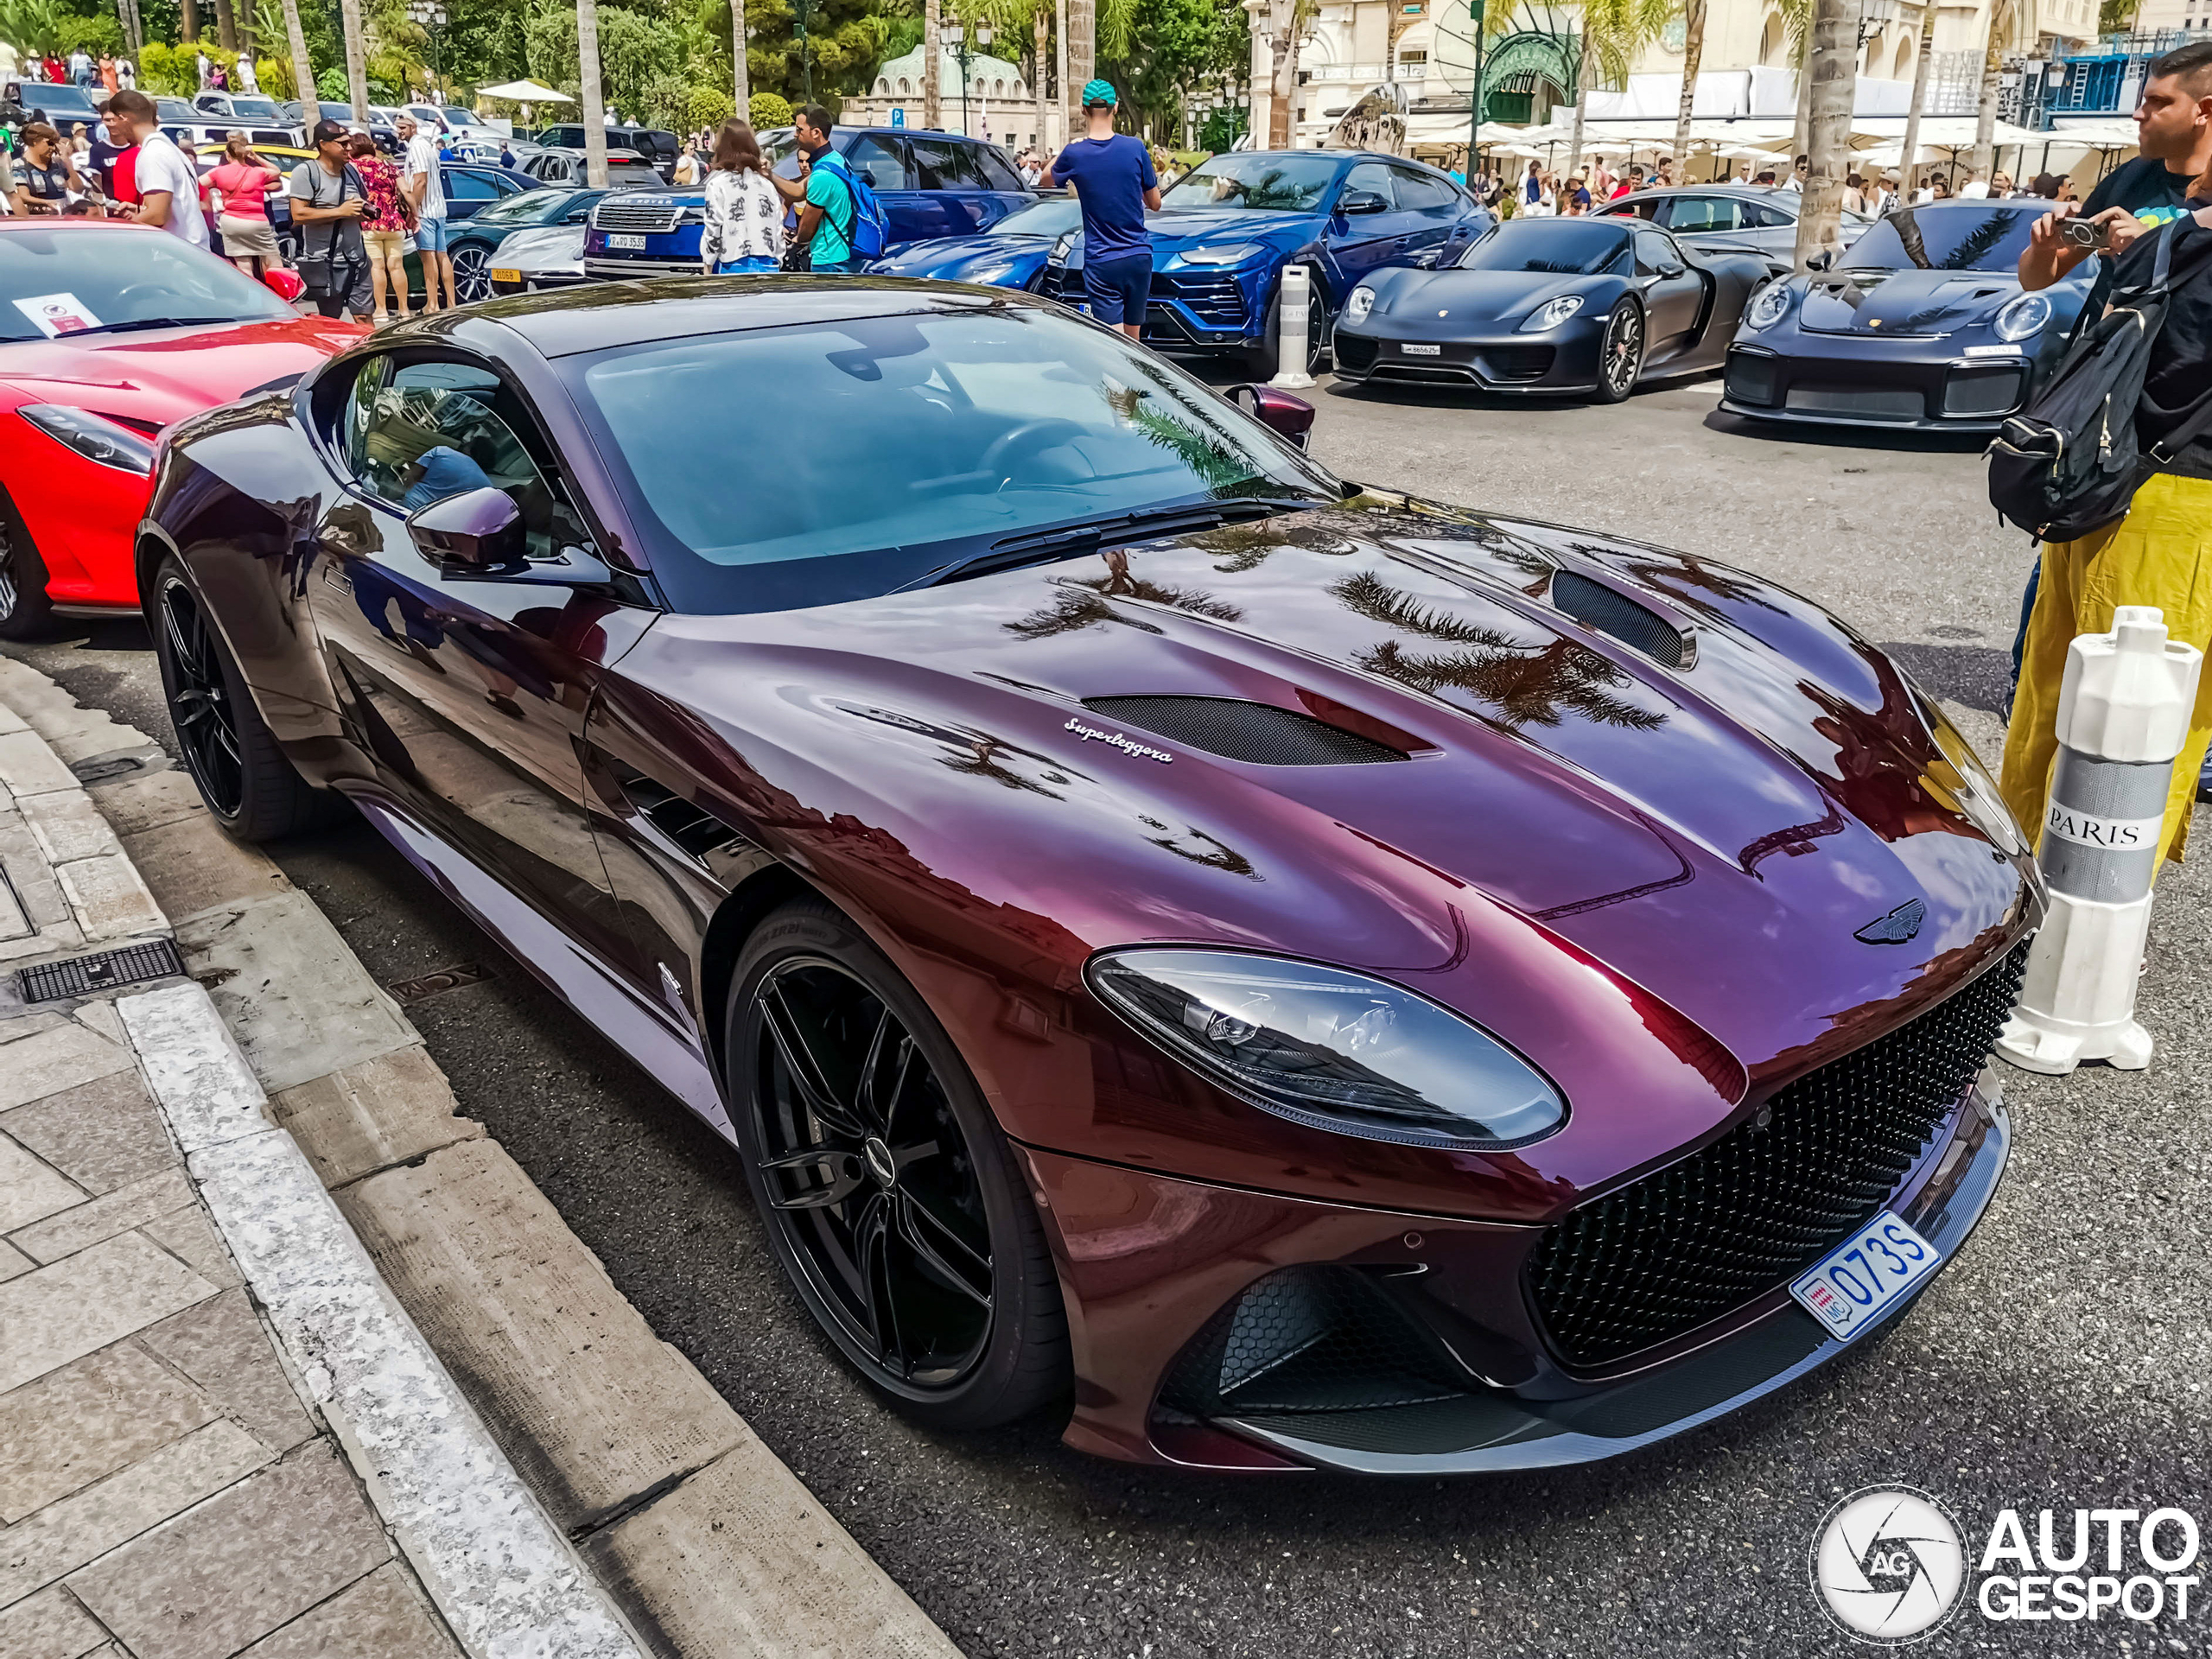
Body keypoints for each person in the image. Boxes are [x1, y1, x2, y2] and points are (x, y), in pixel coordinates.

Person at [2002, 188, 2212, 870]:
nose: (2141, 118)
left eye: (2158, 102)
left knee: (2110, 709)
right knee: (2090, 698)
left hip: (2151, 490)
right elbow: (2046, 277)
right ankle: (2054, 886)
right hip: (2132, 492)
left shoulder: (2175, 240)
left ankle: (2073, 893)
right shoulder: (2172, 235)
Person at [2021, 41, 2212, 297]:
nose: (2138, 114)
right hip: (2104, 335)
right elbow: (2035, 281)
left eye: (2158, 102)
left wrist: (2151, 246)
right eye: (2144, 100)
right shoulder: (2131, 175)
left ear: (2205, 110)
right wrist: (2043, 249)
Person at [1037, 81, 1160, 335]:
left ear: (1084, 109)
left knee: (1113, 344)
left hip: (1102, 260)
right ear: (1116, 107)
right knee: (1134, 343)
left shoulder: (1075, 153)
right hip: (1138, 257)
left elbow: (1045, 179)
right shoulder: (1135, 148)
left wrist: (1069, 150)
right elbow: (1155, 203)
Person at [767, 103, 869, 273]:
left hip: (829, 261)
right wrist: (768, 174)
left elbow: (807, 229)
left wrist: (795, 240)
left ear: (816, 133)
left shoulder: (822, 176)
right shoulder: (836, 161)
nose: (795, 134)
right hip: (845, 254)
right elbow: (798, 191)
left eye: (800, 130)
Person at [288, 118, 372, 321]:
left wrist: (364, 212)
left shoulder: (351, 171)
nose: (349, 147)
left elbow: (361, 204)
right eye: (343, 144)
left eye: (349, 142)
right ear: (323, 145)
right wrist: (341, 211)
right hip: (326, 263)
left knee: (364, 318)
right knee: (331, 320)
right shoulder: (307, 172)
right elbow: (298, 215)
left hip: (358, 261)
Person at [103, 92, 207, 247]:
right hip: (190, 247)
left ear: (123, 118)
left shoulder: (153, 153)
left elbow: (157, 216)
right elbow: (173, 205)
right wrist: (142, 210)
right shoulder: (169, 147)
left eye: (114, 120)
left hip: (179, 252)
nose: (112, 127)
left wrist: (117, 234)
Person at [699, 118, 779, 274]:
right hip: (769, 264)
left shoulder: (718, 185)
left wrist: (708, 264)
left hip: (733, 263)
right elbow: (777, 228)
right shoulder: (767, 185)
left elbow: (713, 229)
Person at [347, 132, 409, 322]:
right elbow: (405, 190)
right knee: (397, 265)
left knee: (377, 266)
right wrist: (414, 213)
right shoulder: (388, 165)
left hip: (370, 222)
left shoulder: (353, 168)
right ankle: (404, 309)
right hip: (394, 222)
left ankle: (381, 309)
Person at [207, 132, 283, 277]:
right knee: (272, 259)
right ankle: (280, 294)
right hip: (257, 219)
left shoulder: (220, 170)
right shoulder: (257, 169)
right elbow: (277, 172)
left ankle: (251, 294)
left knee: (243, 264)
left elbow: (199, 183)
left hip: (231, 219)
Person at [397, 114, 454, 311]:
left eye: (403, 127)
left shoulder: (418, 147)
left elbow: (420, 180)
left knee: (428, 257)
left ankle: (433, 303)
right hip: (438, 208)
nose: (399, 131)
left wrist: (414, 210)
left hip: (426, 210)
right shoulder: (428, 147)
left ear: (413, 127)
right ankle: (450, 303)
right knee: (441, 255)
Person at [11, 123, 79, 214]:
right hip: (38, 216)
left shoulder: (58, 164)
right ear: (35, 142)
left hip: (63, 214)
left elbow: (77, 188)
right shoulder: (20, 165)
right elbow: (23, 196)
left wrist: (68, 162)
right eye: (49, 143)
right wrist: (47, 203)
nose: (52, 148)